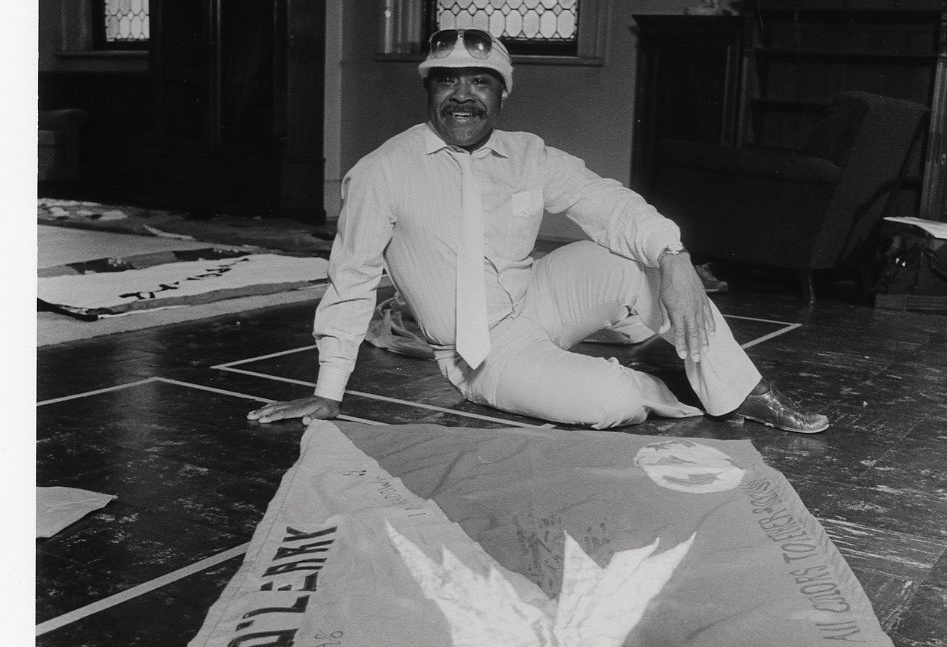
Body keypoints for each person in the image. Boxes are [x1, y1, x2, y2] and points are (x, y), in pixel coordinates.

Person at [248, 28, 828, 434]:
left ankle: (740, 394)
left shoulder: (529, 155)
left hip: (540, 300)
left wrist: (675, 258)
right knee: (610, 401)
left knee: (641, 260)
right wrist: (328, 391)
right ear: (429, 90)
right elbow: (350, 279)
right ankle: (646, 389)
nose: (463, 95)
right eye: (448, 81)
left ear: (502, 92)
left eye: (480, 81)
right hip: (482, 353)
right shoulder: (380, 172)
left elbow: (607, 202)